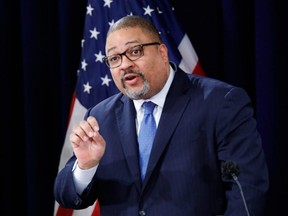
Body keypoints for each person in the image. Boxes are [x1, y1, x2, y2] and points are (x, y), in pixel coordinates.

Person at [54, 15, 269, 216]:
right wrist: (85, 166)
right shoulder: (100, 117)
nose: (125, 64)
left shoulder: (220, 102)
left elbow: (247, 189)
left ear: (163, 53)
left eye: (135, 51)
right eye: (114, 58)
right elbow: (67, 197)